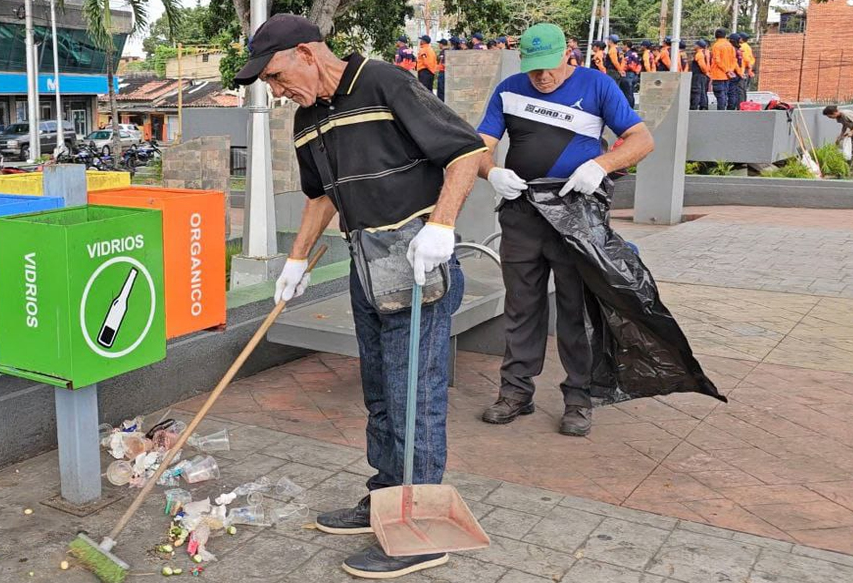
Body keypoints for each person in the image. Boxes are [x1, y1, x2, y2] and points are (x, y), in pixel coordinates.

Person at [234, 13, 486, 579]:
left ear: (306, 52)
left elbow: (466, 152)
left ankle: (419, 525)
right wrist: (295, 258)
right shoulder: (306, 119)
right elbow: (322, 197)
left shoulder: (384, 82)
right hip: (365, 262)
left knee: (413, 394)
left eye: (275, 76)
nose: (275, 92)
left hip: (418, 258)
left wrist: (442, 226)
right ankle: (384, 498)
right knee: (379, 388)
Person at [476, 22, 655, 437]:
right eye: (534, 68)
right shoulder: (509, 89)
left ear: (567, 53)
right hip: (522, 212)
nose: (542, 76)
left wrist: (601, 165)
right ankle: (516, 392)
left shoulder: (597, 86)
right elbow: (481, 144)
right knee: (521, 306)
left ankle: (579, 397)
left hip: (576, 213)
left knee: (576, 309)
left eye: (550, 66)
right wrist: (492, 171)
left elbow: (641, 140)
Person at [710, 29, 738, 110]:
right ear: (725, 35)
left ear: (715, 35)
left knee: (720, 94)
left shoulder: (716, 45)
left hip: (718, 75)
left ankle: (721, 112)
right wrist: (730, 70)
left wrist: (726, 70)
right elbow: (734, 59)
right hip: (728, 76)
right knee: (725, 94)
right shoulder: (730, 46)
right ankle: (725, 110)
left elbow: (717, 60)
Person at [605, 35, 633, 108]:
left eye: (608, 40)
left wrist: (620, 70)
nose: (607, 42)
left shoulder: (612, 49)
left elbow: (615, 62)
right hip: (617, 71)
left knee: (612, 89)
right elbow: (623, 61)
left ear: (611, 41)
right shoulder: (619, 49)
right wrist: (622, 69)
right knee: (617, 88)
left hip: (612, 71)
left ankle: (614, 105)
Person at [691, 39, 712, 110]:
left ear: (698, 46)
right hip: (703, 75)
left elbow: (702, 66)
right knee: (703, 91)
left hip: (699, 75)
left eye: (695, 45)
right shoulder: (706, 53)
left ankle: (694, 106)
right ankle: (704, 106)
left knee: (696, 91)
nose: (694, 46)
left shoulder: (699, 54)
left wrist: (705, 72)